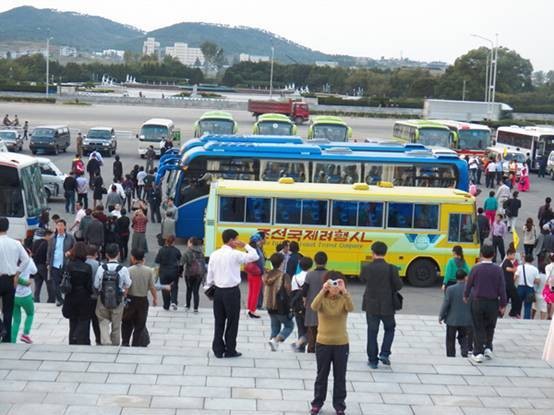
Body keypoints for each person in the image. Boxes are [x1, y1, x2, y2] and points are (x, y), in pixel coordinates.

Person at [205, 229, 259, 358]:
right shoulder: (235, 254)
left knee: (219, 321)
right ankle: (230, 349)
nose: (237, 242)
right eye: (236, 239)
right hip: (232, 291)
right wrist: (245, 245)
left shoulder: (214, 254)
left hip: (218, 291)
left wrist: (209, 287)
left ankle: (217, 349)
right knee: (232, 321)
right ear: (231, 240)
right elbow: (255, 256)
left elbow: (210, 275)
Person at [309, 271, 353, 415]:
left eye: (338, 284)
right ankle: (317, 403)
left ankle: (339, 406)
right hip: (323, 343)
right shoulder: (322, 299)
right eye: (332, 284)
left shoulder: (343, 299)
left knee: (340, 376)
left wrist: (344, 292)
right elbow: (313, 306)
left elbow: (351, 308)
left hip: (341, 343)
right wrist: (323, 290)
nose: (335, 287)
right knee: (321, 375)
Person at [361, 241, 403, 368]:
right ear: (385, 253)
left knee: (372, 332)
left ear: (373, 252)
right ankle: (384, 353)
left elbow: (362, 279)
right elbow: (399, 286)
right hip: (388, 305)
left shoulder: (366, 267)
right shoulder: (392, 268)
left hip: (371, 305)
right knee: (390, 328)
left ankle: (373, 361)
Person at [464, 244, 507, 363]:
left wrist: (466, 295)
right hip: (493, 302)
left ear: (481, 254)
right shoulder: (498, 269)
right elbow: (502, 288)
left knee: (478, 326)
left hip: (478, 301)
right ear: (493, 255)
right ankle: (488, 347)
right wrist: (503, 304)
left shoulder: (475, 268)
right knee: (490, 325)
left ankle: (478, 352)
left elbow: (469, 284)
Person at [94, 243, 132, 346]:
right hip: (118, 300)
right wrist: (123, 294)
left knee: (103, 321)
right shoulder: (123, 269)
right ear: (118, 254)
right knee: (116, 325)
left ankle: (106, 341)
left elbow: (96, 285)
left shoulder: (101, 268)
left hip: (103, 299)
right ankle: (115, 345)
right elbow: (128, 284)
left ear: (106, 255)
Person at [0, 217, 31, 343]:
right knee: (8, 310)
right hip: (10, 279)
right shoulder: (16, 243)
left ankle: (1, 327)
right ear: (8, 228)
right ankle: (6, 337)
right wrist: (17, 273)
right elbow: (26, 259)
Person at [121, 248, 157, 347]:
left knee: (126, 322)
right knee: (140, 324)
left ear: (132, 258)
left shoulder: (128, 270)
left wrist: (124, 298)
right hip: (143, 300)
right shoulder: (149, 271)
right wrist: (155, 298)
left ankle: (125, 341)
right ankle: (136, 343)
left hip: (130, 299)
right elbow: (152, 286)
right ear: (143, 259)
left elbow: (126, 286)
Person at [62, 242, 94, 345]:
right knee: (84, 321)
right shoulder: (87, 267)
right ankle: (83, 340)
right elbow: (89, 285)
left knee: (73, 321)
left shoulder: (69, 265)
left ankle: (73, 340)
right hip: (84, 296)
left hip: (71, 295)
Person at [439, 269, 473, 357]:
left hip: (451, 319)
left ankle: (451, 355)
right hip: (466, 319)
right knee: (463, 336)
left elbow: (446, 304)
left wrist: (441, 316)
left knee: (450, 338)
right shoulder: (471, 290)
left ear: (456, 278)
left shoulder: (450, 289)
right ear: (466, 277)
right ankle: (464, 351)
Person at [264, 253, 294, 351]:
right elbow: (288, 291)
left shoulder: (267, 275)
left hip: (269, 305)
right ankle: (276, 340)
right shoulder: (284, 276)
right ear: (282, 263)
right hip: (281, 306)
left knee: (275, 326)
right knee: (289, 326)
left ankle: (273, 348)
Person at [303, 251, 328, 353]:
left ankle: (311, 348)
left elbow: (304, 292)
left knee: (312, 329)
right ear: (326, 262)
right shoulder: (328, 275)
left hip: (312, 306)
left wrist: (305, 302)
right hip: (325, 306)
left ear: (315, 261)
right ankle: (322, 348)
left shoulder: (309, 275)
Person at [47, 219, 75, 306]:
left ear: (65, 227)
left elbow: (75, 248)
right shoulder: (53, 239)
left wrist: (70, 252)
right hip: (55, 264)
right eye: (58, 225)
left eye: (61, 225)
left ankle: (67, 299)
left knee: (67, 283)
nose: (59, 227)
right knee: (55, 284)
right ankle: (59, 299)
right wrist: (48, 263)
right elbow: (49, 252)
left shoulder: (70, 237)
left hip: (66, 264)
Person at [11, 249, 37, 344]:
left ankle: (12, 339)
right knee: (30, 314)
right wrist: (31, 258)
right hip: (25, 295)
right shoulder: (29, 261)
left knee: (16, 320)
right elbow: (34, 271)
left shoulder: (13, 261)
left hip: (14, 295)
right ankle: (25, 334)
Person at [290, 256, 313, 352]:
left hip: (297, 305)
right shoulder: (311, 276)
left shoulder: (295, 277)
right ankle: (306, 343)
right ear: (311, 265)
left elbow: (292, 291)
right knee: (311, 328)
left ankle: (300, 347)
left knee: (300, 327)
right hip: (309, 305)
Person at [155, 235, 182, 311]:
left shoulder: (161, 250)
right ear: (173, 242)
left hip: (163, 272)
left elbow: (157, 261)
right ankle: (174, 301)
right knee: (174, 287)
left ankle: (166, 305)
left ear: (166, 241)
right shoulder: (176, 250)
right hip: (174, 272)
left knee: (165, 288)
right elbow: (180, 260)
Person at [182, 237, 206, 313]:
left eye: (188, 242)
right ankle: (196, 308)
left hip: (189, 274)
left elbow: (181, 263)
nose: (187, 243)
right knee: (196, 291)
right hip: (199, 274)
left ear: (191, 243)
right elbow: (203, 264)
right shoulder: (201, 252)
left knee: (189, 290)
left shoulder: (187, 252)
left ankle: (188, 305)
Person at [245, 233, 265, 319]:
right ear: (257, 241)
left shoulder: (250, 249)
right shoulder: (256, 250)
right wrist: (263, 270)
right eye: (260, 240)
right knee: (255, 293)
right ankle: (252, 310)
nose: (261, 241)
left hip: (250, 273)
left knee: (251, 292)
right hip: (256, 273)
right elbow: (260, 262)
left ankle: (249, 309)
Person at [514, 254, 540, 320]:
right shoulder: (535, 269)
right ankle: (526, 319)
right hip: (530, 289)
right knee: (528, 306)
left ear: (524, 259)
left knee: (518, 304)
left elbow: (515, 277)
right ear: (532, 261)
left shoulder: (520, 267)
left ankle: (517, 317)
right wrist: (531, 280)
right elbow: (537, 281)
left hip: (520, 288)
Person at [31, 229, 53, 303]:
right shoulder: (47, 244)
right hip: (44, 266)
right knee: (49, 284)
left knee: (37, 285)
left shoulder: (35, 242)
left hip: (35, 266)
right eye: (50, 236)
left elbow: (32, 253)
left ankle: (36, 300)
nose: (50, 237)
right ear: (46, 235)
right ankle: (51, 300)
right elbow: (48, 256)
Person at [85, 245, 101, 345]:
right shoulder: (99, 264)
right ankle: (98, 339)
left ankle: (85, 339)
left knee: (85, 319)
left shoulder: (83, 263)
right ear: (96, 254)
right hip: (95, 296)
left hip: (85, 296)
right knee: (96, 320)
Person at [501, 248, 521, 318]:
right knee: (516, 298)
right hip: (508, 285)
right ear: (509, 254)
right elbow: (507, 268)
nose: (514, 256)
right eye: (513, 255)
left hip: (509, 284)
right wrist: (514, 269)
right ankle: (512, 312)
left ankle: (505, 313)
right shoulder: (506, 261)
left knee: (508, 300)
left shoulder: (509, 261)